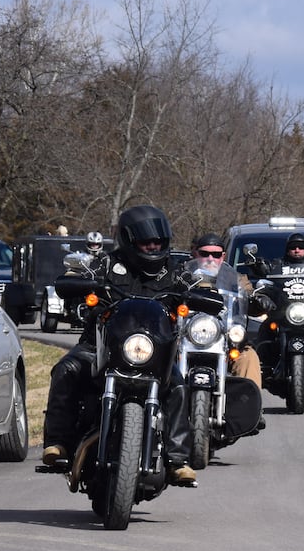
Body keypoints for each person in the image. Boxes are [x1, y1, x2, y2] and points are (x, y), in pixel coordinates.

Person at [41, 204, 199, 485]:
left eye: (157, 241)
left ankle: (177, 460)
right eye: (146, 241)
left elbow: (202, 289)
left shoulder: (174, 272)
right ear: (129, 240)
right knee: (65, 369)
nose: (153, 246)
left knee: (177, 385)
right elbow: (75, 279)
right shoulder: (105, 264)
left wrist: (204, 293)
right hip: (99, 345)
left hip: (154, 353)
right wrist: (75, 281)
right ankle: (58, 443)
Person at [187, 232, 265, 395]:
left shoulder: (236, 279)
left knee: (248, 357)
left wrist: (259, 300)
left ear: (223, 256)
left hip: (224, 338)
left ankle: (250, 411)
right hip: (187, 337)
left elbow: (249, 294)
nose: (210, 258)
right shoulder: (182, 275)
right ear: (196, 254)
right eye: (204, 253)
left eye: (215, 255)